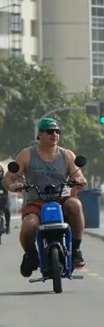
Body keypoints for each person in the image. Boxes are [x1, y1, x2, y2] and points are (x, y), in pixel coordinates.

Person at [3, 118, 88, 276]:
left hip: (61, 200)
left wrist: (80, 181)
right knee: (29, 225)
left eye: (57, 131)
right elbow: (9, 178)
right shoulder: (27, 154)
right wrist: (12, 185)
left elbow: (79, 175)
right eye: (49, 131)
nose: (54, 134)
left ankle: (76, 249)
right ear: (39, 135)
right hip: (35, 203)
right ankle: (31, 254)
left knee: (75, 205)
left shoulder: (67, 155)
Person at [0, 165, 11, 234]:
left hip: (3, 198)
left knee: (7, 210)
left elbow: (8, 187)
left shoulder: (4, 179)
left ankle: (8, 226)